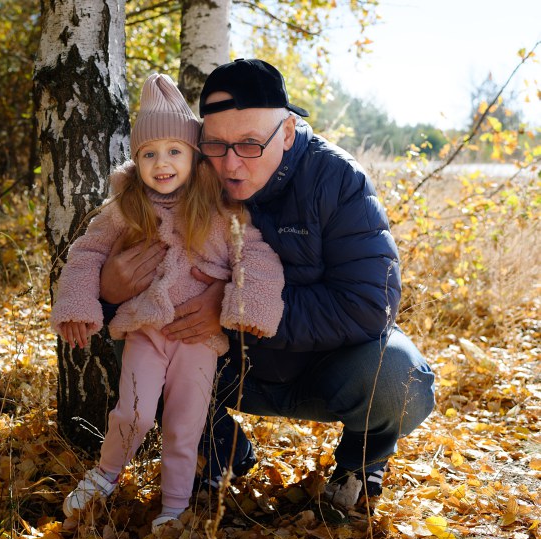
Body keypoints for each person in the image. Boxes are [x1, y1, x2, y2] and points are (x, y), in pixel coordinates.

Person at [99, 59, 436, 511]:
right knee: (137, 335)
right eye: (215, 145)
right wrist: (108, 291)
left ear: (288, 133)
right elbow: (116, 264)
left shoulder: (338, 180)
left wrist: (233, 306)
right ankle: (221, 449)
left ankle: (360, 463)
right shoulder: (185, 177)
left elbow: (369, 305)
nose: (230, 164)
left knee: (398, 377)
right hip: (225, 364)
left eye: (250, 144)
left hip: (323, 368)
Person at [51, 73, 286, 532]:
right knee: (134, 412)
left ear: (194, 155)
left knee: (185, 423)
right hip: (146, 330)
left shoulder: (219, 208)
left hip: (199, 340)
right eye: (149, 154)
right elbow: (87, 253)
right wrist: (78, 305)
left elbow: (256, 255)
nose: (162, 163)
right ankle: (105, 474)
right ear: (136, 160)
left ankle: (174, 506)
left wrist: (249, 306)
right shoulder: (126, 208)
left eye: (174, 151)